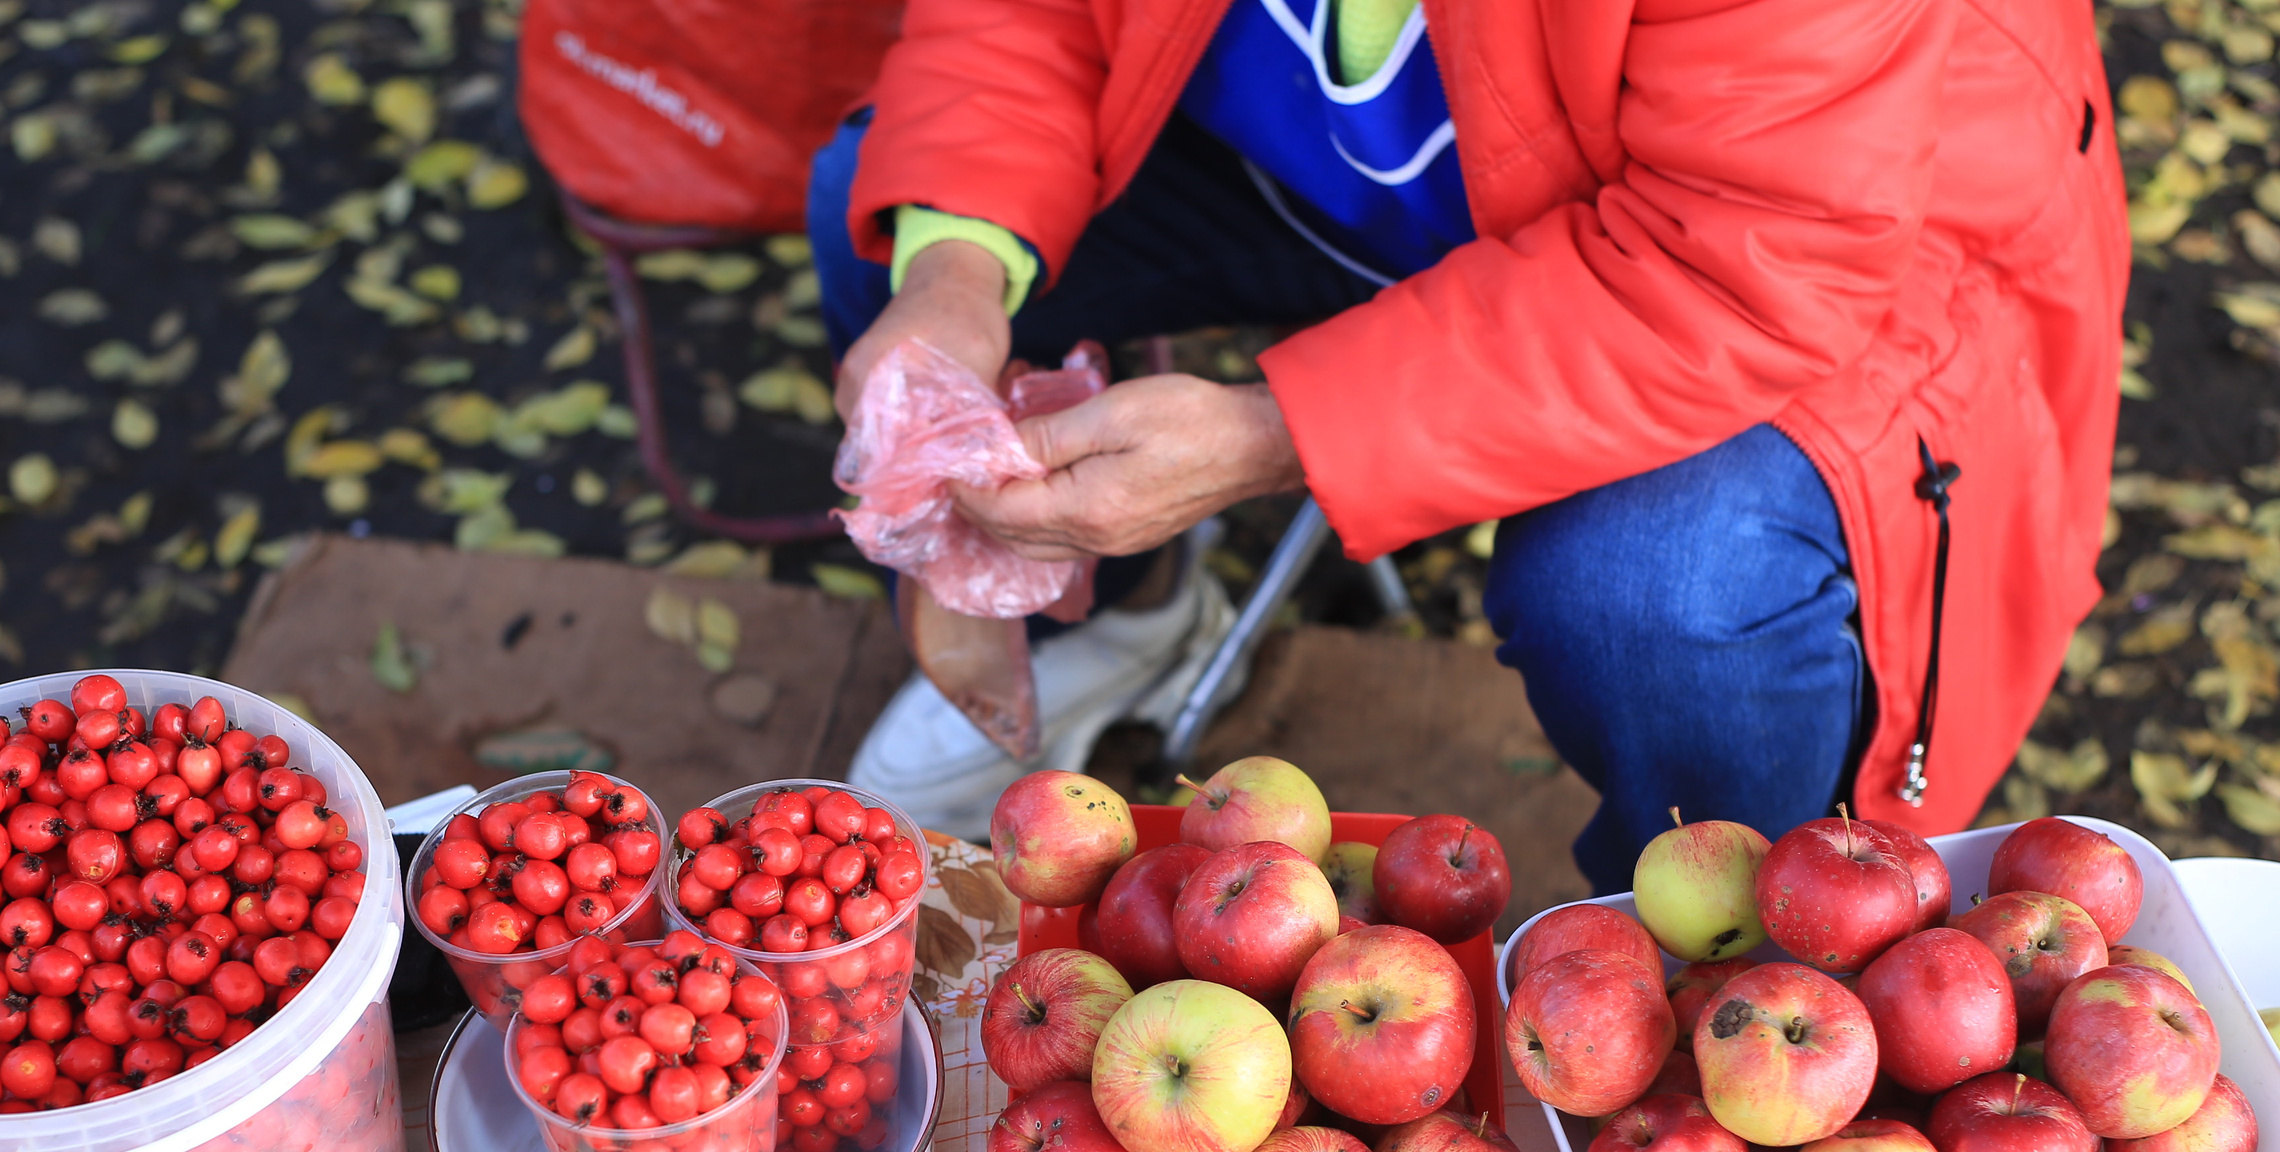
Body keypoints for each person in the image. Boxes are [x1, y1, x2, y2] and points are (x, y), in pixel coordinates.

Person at [808, 0, 2127, 888]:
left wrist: (1280, 433)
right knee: (895, 221)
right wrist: (955, 267)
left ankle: (1726, 954)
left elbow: (1745, 258)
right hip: (1344, 158)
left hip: (1784, 231)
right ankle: (1123, 613)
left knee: (1659, 591)